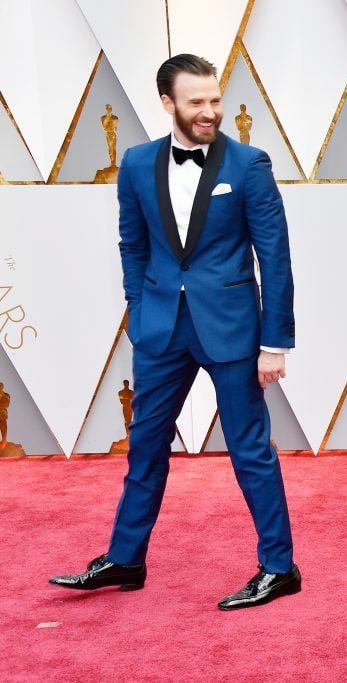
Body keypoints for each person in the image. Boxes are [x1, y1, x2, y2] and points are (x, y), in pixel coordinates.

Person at [49, 54, 300, 611]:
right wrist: (139, 311)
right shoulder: (137, 164)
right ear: (168, 103)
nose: (210, 111)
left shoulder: (248, 164)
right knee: (144, 447)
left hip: (233, 331)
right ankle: (125, 558)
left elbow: (274, 257)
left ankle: (279, 566)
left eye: (215, 100)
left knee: (248, 449)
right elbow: (132, 246)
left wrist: (274, 342)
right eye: (197, 102)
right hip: (160, 330)